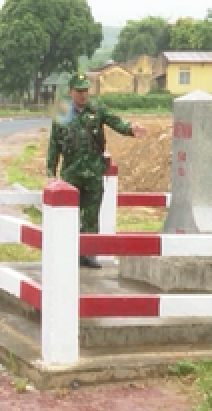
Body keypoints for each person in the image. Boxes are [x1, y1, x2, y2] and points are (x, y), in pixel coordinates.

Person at [46, 73, 147, 268]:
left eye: (86, 91)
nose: (83, 95)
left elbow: (115, 121)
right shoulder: (62, 111)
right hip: (71, 174)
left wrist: (130, 128)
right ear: (70, 92)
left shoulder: (97, 108)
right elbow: (54, 143)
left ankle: (88, 254)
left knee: (91, 215)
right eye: (79, 91)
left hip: (93, 172)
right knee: (69, 216)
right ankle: (69, 253)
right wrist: (51, 171)